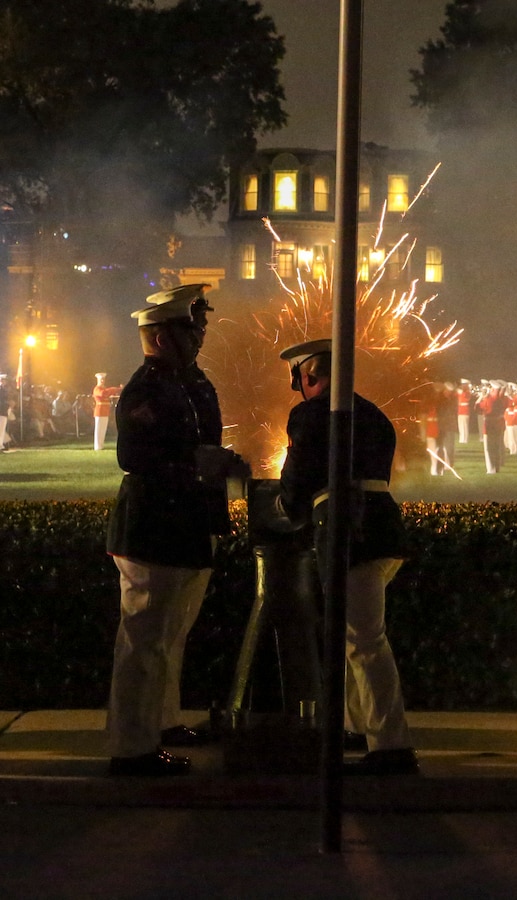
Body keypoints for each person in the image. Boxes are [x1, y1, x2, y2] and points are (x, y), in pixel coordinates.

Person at [105, 283, 250, 776]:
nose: (202, 336)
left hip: (184, 523)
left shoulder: (188, 382)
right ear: (164, 336)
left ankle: (160, 724)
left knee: (170, 636)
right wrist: (195, 462)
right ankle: (132, 747)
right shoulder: (148, 388)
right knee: (144, 640)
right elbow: (135, 456)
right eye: (193, 328)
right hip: (154, 524)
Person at [274, 338, 418, 776]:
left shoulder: (310, 413)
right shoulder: (372, 413)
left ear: (309, 376)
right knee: (355, 635)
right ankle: (357, 725)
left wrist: (285, 505)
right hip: (381, 531)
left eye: (299, 378)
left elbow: (298, 477)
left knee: (363, 640)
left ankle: (390, 746)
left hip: (348, 533)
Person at [92, 372, 122, 450]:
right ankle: (97, 446)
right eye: (101, 379)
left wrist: (118, 389)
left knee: (103, 430)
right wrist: (115, 389)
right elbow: (103, 394)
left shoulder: (104, 389)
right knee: (98, 430)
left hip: (105, 411)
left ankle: (100, 446)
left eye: (103, 379)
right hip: (99, 411)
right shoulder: (97, 389)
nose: (102, 381)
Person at [0, 374, 9, 451]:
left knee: (2, 429)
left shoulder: (4, 389)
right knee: (1, 429)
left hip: (3, 411)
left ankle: (1, 444)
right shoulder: (2, 390)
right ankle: (0, 445)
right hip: (2, 411)